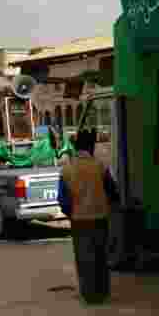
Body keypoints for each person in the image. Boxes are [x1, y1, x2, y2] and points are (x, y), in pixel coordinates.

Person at [59, 129, 119, 305]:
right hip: (100, 218)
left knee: (84, 257)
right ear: (90, 147)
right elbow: (112, 191)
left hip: (79, 220)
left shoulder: (67, 169)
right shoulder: (100, 166)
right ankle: (102, 292)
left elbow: (63, 199)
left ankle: (89, 294)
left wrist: (71, 214)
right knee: (100, 255)